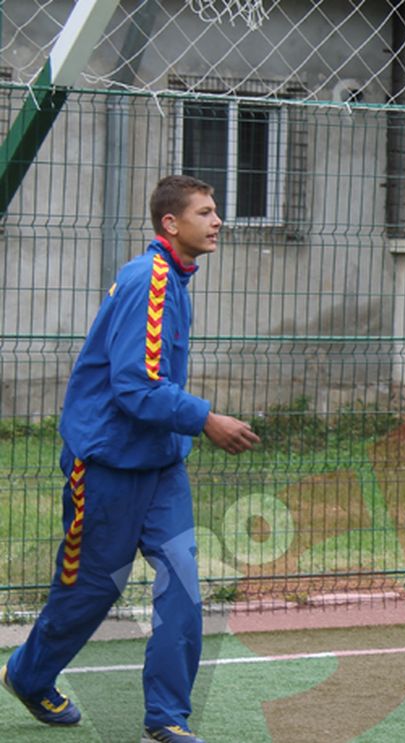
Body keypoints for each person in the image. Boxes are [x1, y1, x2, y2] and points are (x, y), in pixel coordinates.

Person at [1, 175, 260, 743]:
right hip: (106, 467)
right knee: (91, 590)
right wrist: (206, 419)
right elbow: (135, 387)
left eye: (217, 212)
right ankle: (28, 673)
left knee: (183, 587)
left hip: (160, 467)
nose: (219, 221)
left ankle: (166, 719)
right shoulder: (151, 281)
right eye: (206, 212)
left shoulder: (176, 280)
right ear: (171, 224)